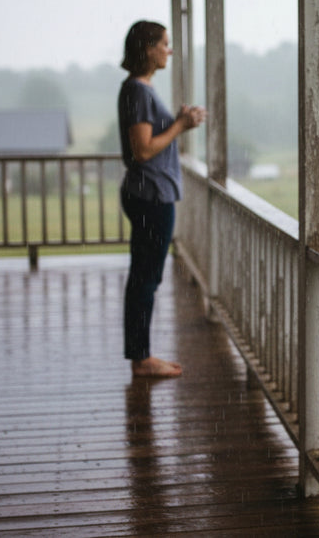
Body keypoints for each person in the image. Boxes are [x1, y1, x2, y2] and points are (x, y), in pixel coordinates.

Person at [117, 20, 206, 378]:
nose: (169, 50)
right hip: (151, 196)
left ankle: (141, 355)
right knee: (145, 277)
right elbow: (142, 150)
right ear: (148, 48)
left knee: (144, 275)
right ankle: (142, 359)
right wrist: (181, 126)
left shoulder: (140, 89)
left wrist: (181, 120)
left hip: (152, 194)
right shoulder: (138, 91)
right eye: (165, 44)